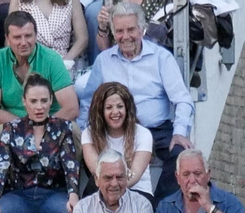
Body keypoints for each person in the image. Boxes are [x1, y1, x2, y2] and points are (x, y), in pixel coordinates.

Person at [75, 2, 191, 200]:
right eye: (120, 31)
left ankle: (158, 206)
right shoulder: (104, 60)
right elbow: (88, 102)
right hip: (113, 130)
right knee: (90, 156)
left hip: (155, 130)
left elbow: (182, 99)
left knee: (180, 155)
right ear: (113, 33)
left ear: (142, 29)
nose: (125, 36)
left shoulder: (161, 58)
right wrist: (85, 132)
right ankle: (96, 204)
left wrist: (180, 132)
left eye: (131, 29)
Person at [0, 73, 80, 213]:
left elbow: (70, 164)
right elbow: (1, 166)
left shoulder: (63, 127)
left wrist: (73, 195)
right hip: (19, 196)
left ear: (51, 101)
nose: (39, 107)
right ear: (24, 101)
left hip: (52, 195)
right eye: (33, 101)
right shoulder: (11, 128)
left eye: (44, 101)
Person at [0, 8, 77, 128]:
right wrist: (26, 127)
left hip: (50, 123)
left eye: (28, 36)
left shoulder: (52, 59)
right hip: (12, 125)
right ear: (7, 39)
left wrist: (42, 127)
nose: (23, 42)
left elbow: (71, 108)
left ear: (36, 36)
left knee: (74, 129)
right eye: (17, 37)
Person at [79, 79, 151, 197]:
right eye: (109, 107)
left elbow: (136, 174)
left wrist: (116, 188)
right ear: (100, 111)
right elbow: (96, 171)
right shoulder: (89, 133)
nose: (115, 112)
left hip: (137, 190)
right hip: (104, 188)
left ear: (127, 108)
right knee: (93, 186)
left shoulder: (143, 134)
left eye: (120, 106)